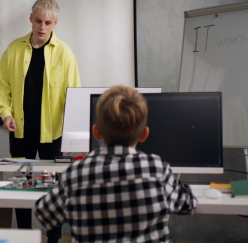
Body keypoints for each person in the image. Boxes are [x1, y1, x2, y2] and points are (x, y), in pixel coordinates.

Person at [34, 85, 198, 242]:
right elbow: (188, 203)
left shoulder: (77, 172)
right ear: (144, 134)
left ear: (96, 132)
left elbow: (45, 214)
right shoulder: (157, 169)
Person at [0, 0, 81, 241]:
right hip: (20, 133)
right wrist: (6, 112)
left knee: (53, 191)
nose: (41, 27)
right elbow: (3, 86)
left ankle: (53, 239)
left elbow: (74, 94)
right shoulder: (14, 48)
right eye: (37, 21)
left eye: (47, 22)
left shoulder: (64, 53)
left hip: (52, 134)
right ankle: (24, 237)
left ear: (55, 23)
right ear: (30, 19)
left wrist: (76, 136)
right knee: (21, 188)